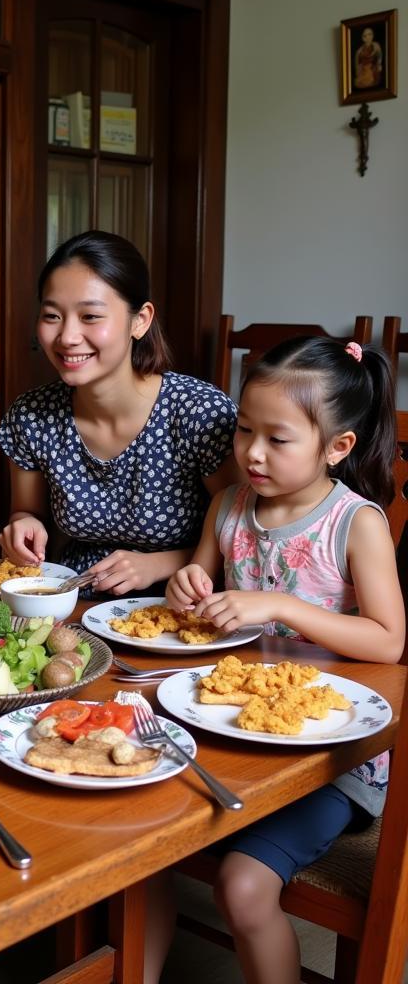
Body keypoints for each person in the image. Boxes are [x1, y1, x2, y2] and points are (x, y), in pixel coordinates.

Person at [162, 336, 403, 984]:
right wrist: (185, 586)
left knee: (242, 889)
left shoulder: (356, 523)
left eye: (278, 438)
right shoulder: (229, 506)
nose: (253, 452)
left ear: (337, 447)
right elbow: (196, 605)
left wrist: (282, 605)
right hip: (236, 737)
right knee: (139, 830)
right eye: (244, 430)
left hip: (333, 759)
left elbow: (388, 641)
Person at [0, 230, 238, 596]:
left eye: (90, 316)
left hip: (184, 606)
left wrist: (156, 565)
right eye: (51, 316)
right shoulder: (32, 415)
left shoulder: (199, 414)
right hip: (74, 599)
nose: (67, 337)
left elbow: (246, 537)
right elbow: (27, 511)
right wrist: (23, 526)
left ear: (140, 320)